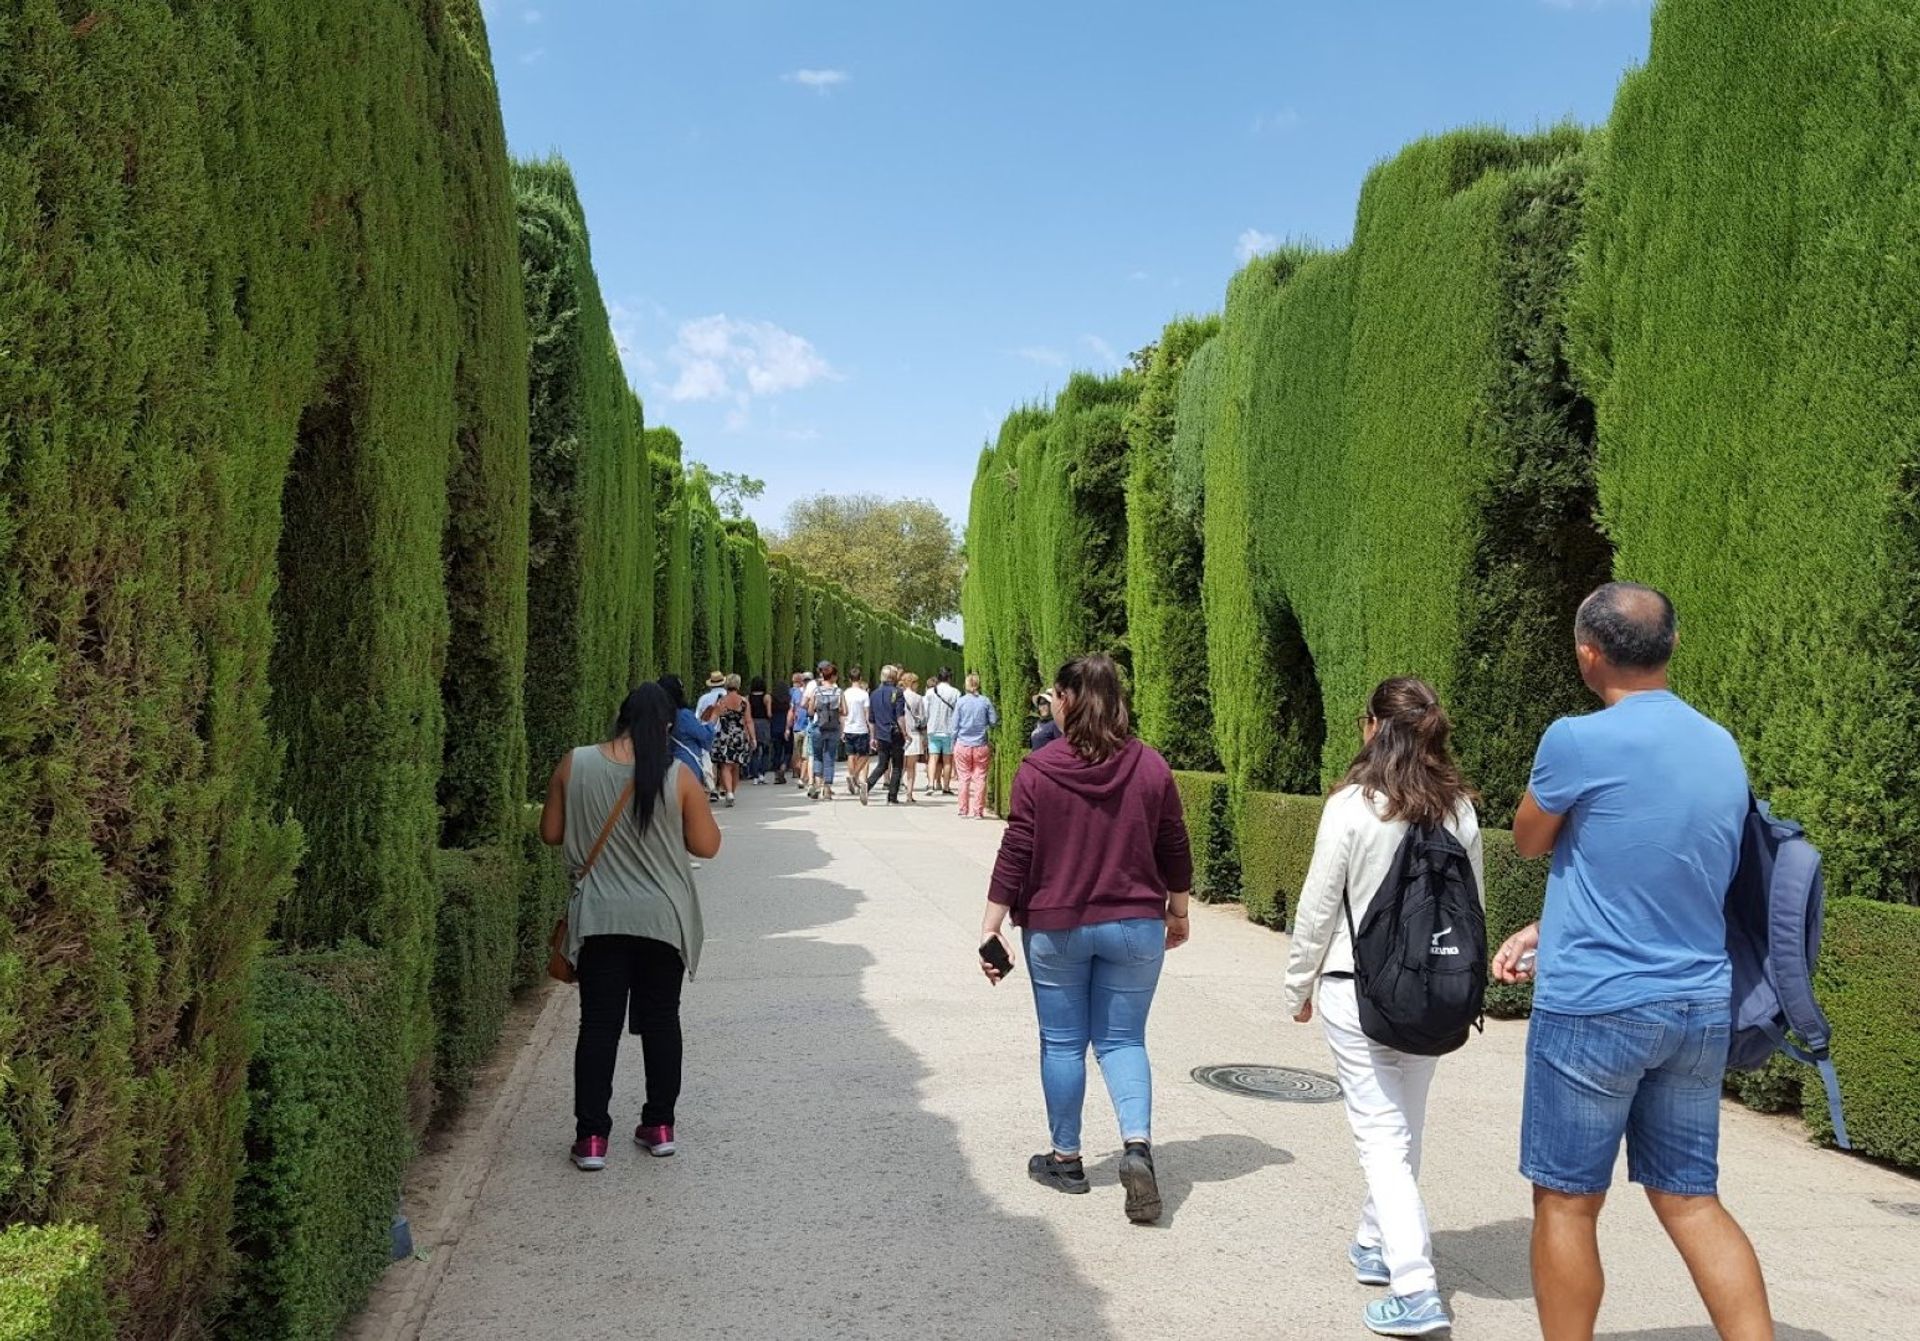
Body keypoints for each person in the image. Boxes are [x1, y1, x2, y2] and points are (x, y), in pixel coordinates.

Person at [1490, 582, 1768, 1341]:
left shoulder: (1576, 739)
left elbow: (1528, 838)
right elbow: (1666, 867)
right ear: (1671, 645)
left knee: (1568, 1202)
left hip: (1595, 1005)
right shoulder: (1721, 743)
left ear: (1589, 653)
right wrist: (1551, 924)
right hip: (1698, 1004)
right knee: (1691, 1197)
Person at [1284, 677, 1484, 1339]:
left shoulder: (1352, 806)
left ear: (1373, 726)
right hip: (1434, 989)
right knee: (1405, 1124)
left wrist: (1298, 985)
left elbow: (1317, 907)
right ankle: (1375, 1240)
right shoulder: (1460, 812)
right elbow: (1473, 909)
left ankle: (1416, 1286)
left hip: (1356, 985)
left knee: (1381, 1136)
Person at [978, 653, 1193, 1225]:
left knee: (1063, 1042)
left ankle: (1066, 1159)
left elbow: (1017, 850)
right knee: (1123, 1041)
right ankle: (1137, 1148)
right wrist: (1178, 910)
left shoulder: (1038, 769)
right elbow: (1174, 843)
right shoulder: (1150, 766)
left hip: (1057, 926)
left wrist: (991, 924)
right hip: (1135, 923)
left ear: (1066, 701)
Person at [541, 682, 721, 1171]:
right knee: (662, 1020)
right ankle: (659, 1126)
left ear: (620, 718)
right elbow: (707, 847)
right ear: (666, 727)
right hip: (662, 917)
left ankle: (592, 1138)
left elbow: (551, 834)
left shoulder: (574, 762)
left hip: (600, 916)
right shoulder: (677, 776)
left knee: (598, 1026)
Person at [952, 672, 999, 819]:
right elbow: (994, 721)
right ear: (978, 684)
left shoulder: (960, 702)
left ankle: (963, 809)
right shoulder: (985, 701)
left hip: (963, 743)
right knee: (980, 777)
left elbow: (954, 726)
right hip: (980, 744)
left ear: (966, 685)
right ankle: (978, 811)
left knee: (964, 777)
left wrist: (953, 743)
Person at [708, 674, 755, 807]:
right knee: (736, 766)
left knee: (725, 766)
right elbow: (749, 721)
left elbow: (714, 718)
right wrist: (753, 738)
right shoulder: (744, 702)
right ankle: (732, 792)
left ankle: (729, 792)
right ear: (738, 685)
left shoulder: (721, 701)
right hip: (739, 736)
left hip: (724, 734)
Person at [866, 665, 910, 805]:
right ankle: (892, 797)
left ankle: (867, 785)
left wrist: (872, 737)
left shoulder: (874, 694)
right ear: (893, 677)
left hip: (881, 734)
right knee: (897, 766)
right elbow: (900, 716)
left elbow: (871, 719)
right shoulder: (897, 692)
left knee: (882, 765)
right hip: (895, 733)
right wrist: (905, 733)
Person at [804, 663, 846, 802]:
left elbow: (810, 711)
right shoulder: (839, 692)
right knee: (830, 758)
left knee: (817, 757)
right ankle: (827, 789)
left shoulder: (816, 691)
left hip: (818, 727)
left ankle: (816, 784)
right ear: (833, 677)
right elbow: (845, 711)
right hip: (833, 728)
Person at [658, 675, 713, 778]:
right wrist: (713, 718)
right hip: (687, 764)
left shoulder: (658, 715)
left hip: (664, 765)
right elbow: (705, 737)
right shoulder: (683, 715)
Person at [924, 668, 961, 795]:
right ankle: (946, 787)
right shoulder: (956, 692)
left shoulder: (930, 692)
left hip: (933, 729)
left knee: (932, 758)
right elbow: (957, 712)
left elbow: (925, 712)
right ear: (949, 678)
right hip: (948, 730)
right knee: (947, 760)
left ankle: (930, 784)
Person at [841, 666, 873, 798]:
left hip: (848, 728)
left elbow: (842, 713)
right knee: (864, 755)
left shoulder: (845, 693)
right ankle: (854, 776)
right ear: (860, 679)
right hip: (861, 729)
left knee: (850, 755)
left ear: (849, 679)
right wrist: (871, 730)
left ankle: (852, 776)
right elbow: (867, 714)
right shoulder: (864, 694)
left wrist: (842, 729)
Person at [900, 671, 929, 803]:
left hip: (901, 734)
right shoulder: (918, 698)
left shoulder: (898, 696)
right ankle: (909, 794)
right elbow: (923, 719)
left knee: (900, 766)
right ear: (912, 683)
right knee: (911, 768)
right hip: (914, 735)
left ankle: (894, 789)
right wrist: (924, 738)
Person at [789, 671, 814, 791]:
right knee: (797, 754)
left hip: (808, 727)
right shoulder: (795, 694)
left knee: (805, 755)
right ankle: (798, 772)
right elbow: (791, 710)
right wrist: (787, 727)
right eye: (806, 680)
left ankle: (802, 777)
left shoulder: (815, 693)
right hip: (797, 727)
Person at [765, 676, 790, 786]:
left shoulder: (771, 697)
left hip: (775, 725)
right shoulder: (789, 698)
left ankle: (776, 774)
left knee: (777, 751)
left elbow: (769, 713)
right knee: (788, 750)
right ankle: (783, 767)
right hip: (786, 724)